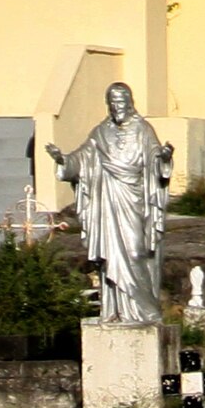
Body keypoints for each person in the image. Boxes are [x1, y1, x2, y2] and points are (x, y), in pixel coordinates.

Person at [49, 80, 169, 326]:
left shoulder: (143, 130)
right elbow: (81, 159)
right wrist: (63, 159)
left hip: (134, 199)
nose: (117, 107)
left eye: (121, 101)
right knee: (110, 256)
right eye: (112, 102)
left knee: (135, 252)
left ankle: (145, 310)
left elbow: (155, 159)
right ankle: (116, 309)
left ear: (130, 102)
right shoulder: (100, 132)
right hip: (107, 201)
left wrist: (164, 159)